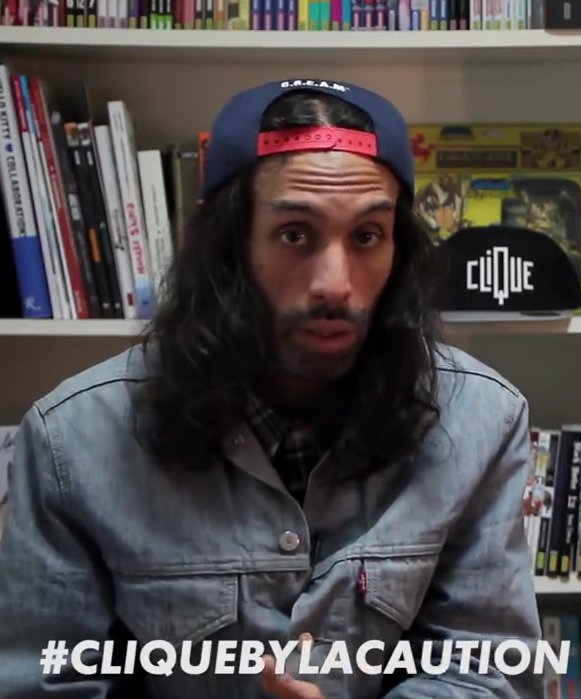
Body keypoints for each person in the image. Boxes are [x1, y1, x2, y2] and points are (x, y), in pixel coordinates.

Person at [0, 78, 543, 699]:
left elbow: (490, 672)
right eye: (295, 235)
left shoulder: (481, 419)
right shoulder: (73, 440)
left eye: (367, 236)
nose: (336, 284)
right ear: (229, 245)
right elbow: (42, 685)